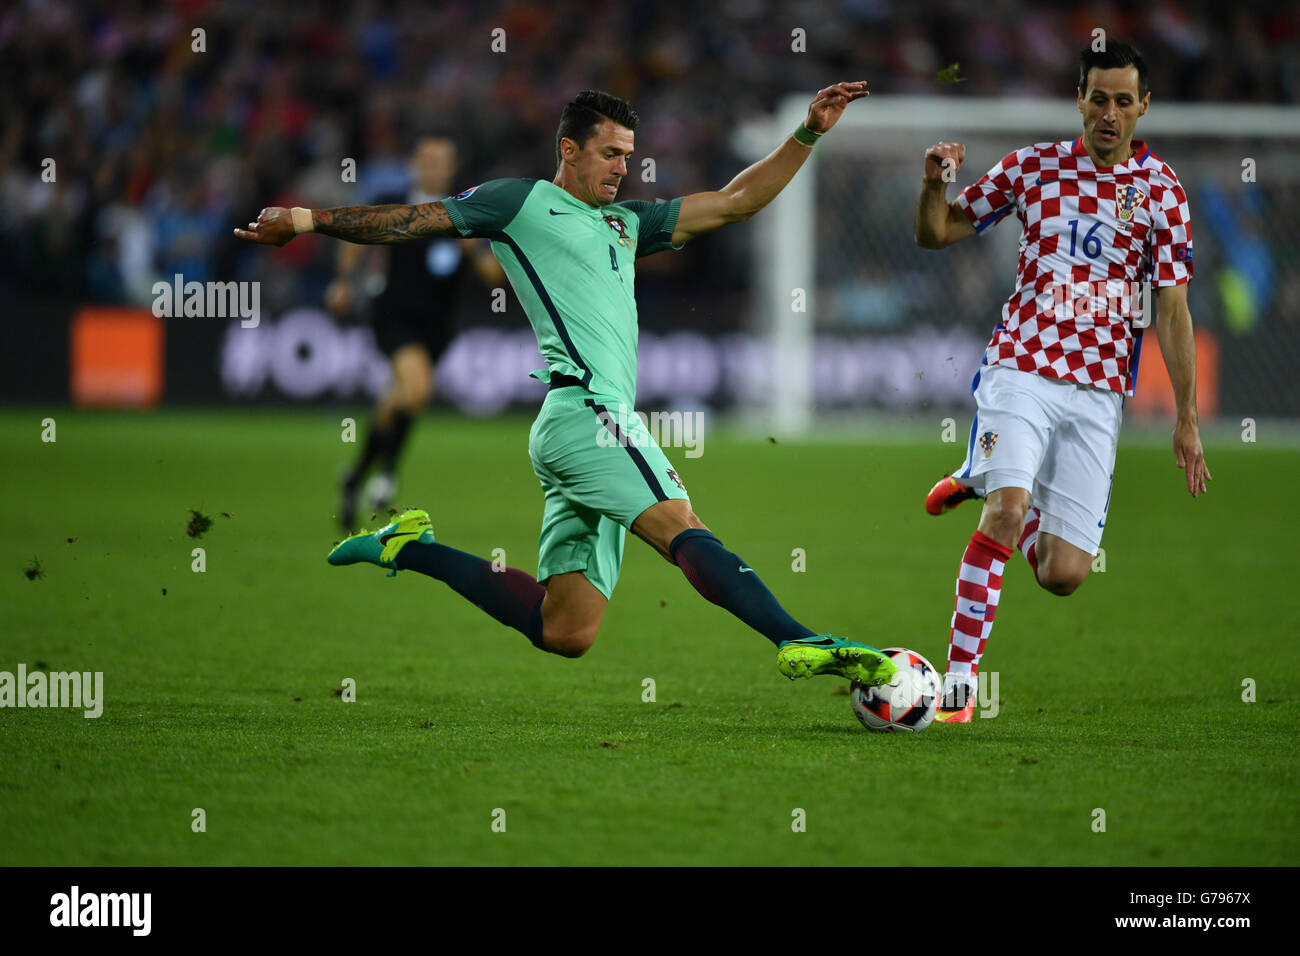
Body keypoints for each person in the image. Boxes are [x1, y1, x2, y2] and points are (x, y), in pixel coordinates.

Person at [235, 85, 897, 687]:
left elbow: (735, 202)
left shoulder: (628, 224)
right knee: (681, 524)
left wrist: (808, 132)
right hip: (590, 416)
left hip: (576, 425)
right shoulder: (519, 203)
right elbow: (414, 220)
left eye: (629, 156)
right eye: (609, 153)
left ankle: (410, 549)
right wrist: (307, 220)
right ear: (569, 150)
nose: (622, 167)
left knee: (566, 631)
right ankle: (797, 638)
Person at [913, 42, 1211, 722]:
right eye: (1098, 99)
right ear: (1079, 99)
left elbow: (1172, 307)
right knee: (1009, 510)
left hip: (1098, 391)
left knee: (1063, 574)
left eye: (1123, 101)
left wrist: (1186, 417)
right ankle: (959, 689)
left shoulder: (1161, 192)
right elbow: (938, 235)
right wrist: (934, 183)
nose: (1110, 114)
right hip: (1022, 367)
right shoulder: (1034, 168)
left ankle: (977, 474)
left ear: (1143, 106)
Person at [327, 135, 503, 529]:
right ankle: (387, 474)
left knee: (398, 399)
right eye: (427, 159)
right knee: (417, 387)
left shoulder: (464, 214)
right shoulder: (396, 203)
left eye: (442, 161)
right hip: (392, 316)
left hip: (437, 328)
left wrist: (469, 246)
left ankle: (355, 478)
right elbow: (356, 235)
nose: (433, 167)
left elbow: (494, 276)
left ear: (452, 168)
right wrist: (342, 280)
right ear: (414, 164)